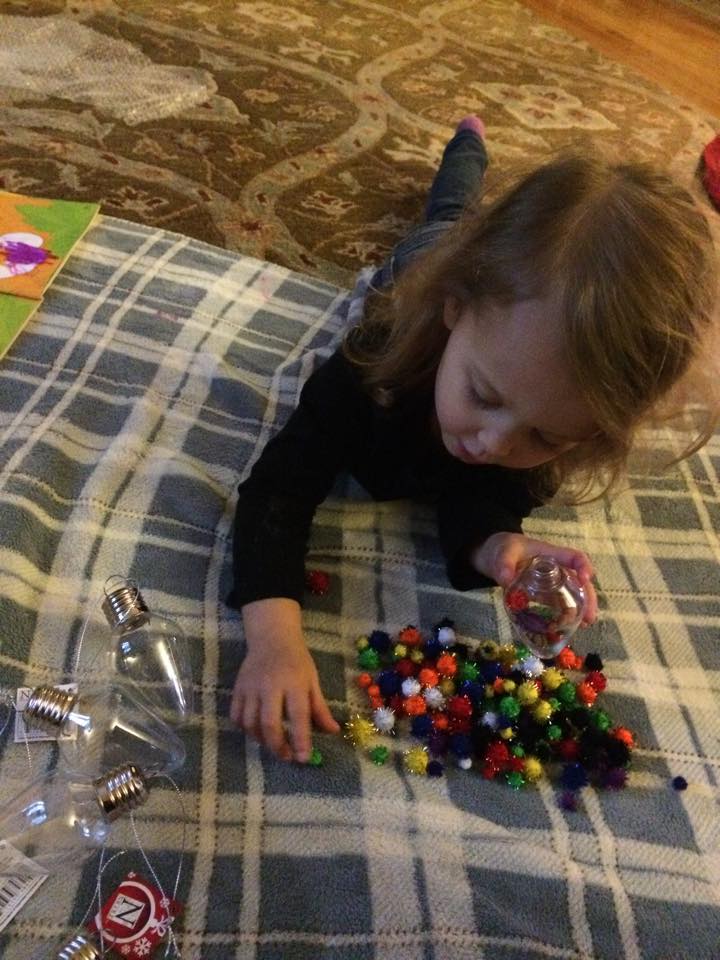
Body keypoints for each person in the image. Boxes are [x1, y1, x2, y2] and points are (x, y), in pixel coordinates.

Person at [229, 117, 719, 763]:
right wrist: (274, 640)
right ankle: (468, 141)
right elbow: (276, 493)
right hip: (420, 274)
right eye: (483, 396)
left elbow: (483, 489)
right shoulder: (370, 364)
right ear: (457, 309)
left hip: (475, 285)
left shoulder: (541, 404)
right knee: (447, 217)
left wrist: (497, 545)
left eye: (544, 435)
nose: (494, 442)